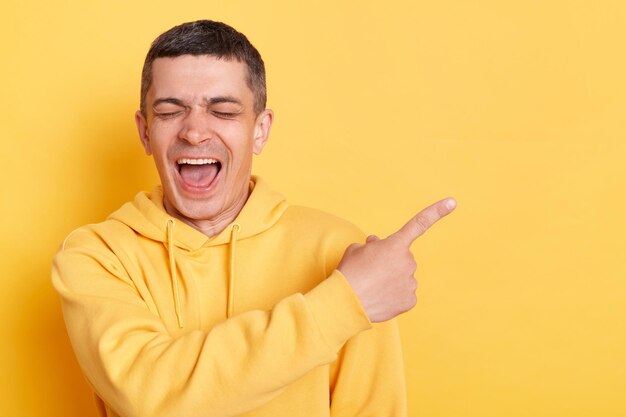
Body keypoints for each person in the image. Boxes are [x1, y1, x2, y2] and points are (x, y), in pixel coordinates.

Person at [52, 20, 456, 417]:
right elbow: (150, 397)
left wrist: (351, 290)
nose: (194, 132)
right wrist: (344, 302)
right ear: (144, 132)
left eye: (223, 111)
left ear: (260, 130)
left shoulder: (339, 251)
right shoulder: (96, 255)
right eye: (171, 111)